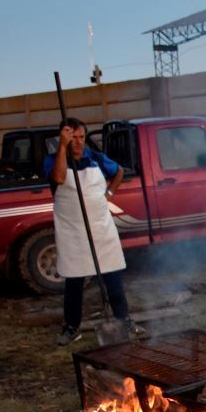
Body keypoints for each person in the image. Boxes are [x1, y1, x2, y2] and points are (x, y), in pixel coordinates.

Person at [44, 118, 143, 346]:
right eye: (72, 138)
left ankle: (123, 320)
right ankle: (71, 327)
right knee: (74, 284)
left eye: (81, 137)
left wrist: (108, 194)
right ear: (63, 138)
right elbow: (58, 178)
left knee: (113, 280)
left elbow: (118, 171)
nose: (78, 143)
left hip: (101, 228)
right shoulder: (53, 161)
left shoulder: (95, 159)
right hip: (72, 231)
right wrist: (62, 147)